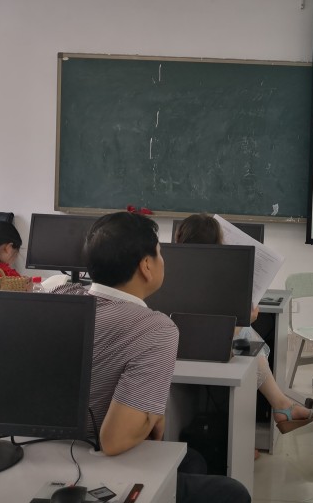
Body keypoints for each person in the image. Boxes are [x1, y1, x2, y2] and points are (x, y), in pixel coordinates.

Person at [52, 211, 250, 503]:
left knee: (192, 460)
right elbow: (115, 440)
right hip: (91, 463)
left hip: (46, 447)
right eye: (159, 253)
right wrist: (154, 413)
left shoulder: (60, 294)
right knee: (234, 493)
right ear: (146, 266)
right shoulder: (155, 329)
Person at [174, 214, 313, 451]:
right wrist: (246, 319)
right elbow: (211, 332)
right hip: (194, 349)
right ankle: (278, 408)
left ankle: (277, 408)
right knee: (248, 343)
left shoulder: (177, 270)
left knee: (250, 344)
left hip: (192, 345)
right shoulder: (211, 279)